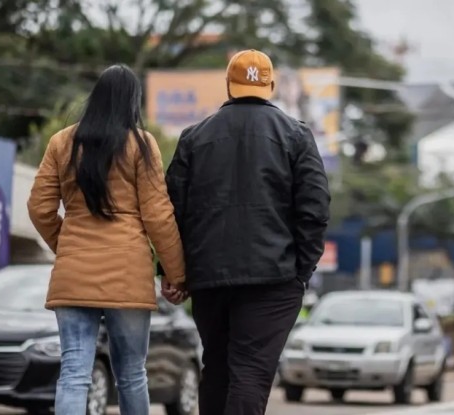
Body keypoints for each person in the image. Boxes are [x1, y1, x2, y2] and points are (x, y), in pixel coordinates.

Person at [161, 49, 330, 415]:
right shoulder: (297, 137)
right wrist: (301, 271)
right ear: (270, 85)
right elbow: (315, 211)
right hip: (273, 278)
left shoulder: (194, 137)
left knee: (218, 369)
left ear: (228, 84)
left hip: (209, 279)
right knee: (251, 372)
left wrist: (174, 271)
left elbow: (171, 210)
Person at [27, 64, 186, 414]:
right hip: (128, 275)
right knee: (131, 374)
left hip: (74, 274)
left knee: (73, 373)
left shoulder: (61, 142)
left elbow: (39, 208)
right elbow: (158, 216)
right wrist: (175, 274)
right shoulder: (141, 145)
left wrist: (67, 246)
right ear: (132, 101)